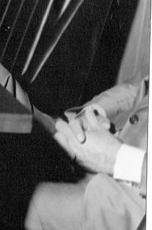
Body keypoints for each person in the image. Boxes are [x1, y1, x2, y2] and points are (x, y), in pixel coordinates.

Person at [23, 76, 148, 230]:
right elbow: (143, 86)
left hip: (137, 200)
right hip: (117, 149)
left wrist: (119, 158)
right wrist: (92, 114)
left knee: (30, 199)